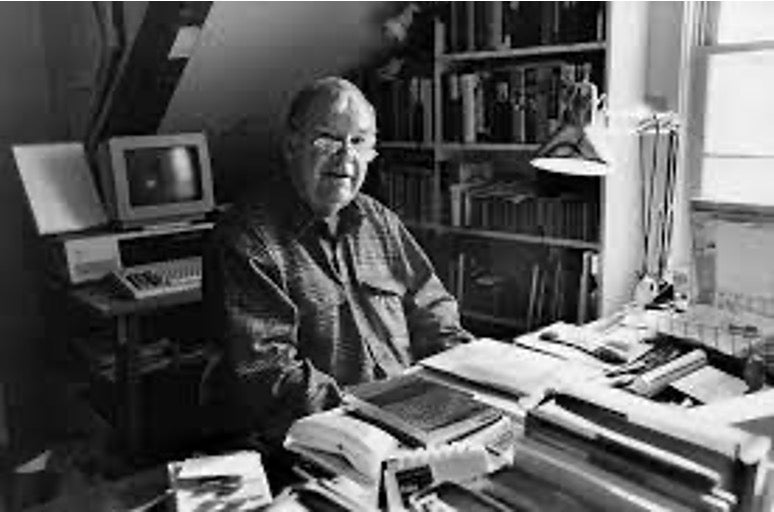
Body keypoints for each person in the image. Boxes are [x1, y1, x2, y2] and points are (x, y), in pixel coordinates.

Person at [204, 76, 472, 442]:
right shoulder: (248, 240)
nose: (346, 157)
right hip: (314, 440)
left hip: (408, 420)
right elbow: (270, 375)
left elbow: (433, 308)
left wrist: (464, 374)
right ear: (291, 146)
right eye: (328, 139)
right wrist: (377, 417)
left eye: (358, 142)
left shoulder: (379, 220)